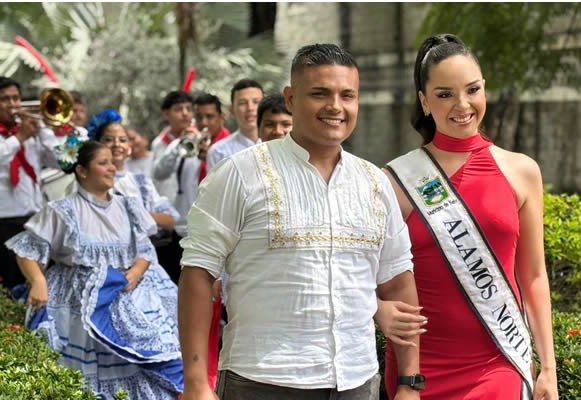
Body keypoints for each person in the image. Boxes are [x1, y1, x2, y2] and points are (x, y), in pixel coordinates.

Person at [178, 43, 421, 400]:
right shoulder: (240, 174)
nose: (335, 106)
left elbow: (398, 282)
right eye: (320, 93)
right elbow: (198, 273)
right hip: (261, 382)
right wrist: (196, 382)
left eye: (347, 95)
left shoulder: (374, 183)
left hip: (357, 381)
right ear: (291, 99)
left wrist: (409, 383)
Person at [383, 33, 558, 400]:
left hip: (499, 362)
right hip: (420, 370)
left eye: (472, 90)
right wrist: (378, 310)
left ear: (484, 89)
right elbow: (371, 276)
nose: (462, 105)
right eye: (445, 94)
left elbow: (533, 276)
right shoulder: (396, 179)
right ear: (424, 101)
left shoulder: (521, 171)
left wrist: (549, 369)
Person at [5, 140, 183, 399]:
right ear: (82, 170)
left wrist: (134, 273)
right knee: (81, 376)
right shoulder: (62, 210)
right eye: (102, 163)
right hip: (76, 301)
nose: (111, 168)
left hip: (125, 294)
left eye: (111, 162)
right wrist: (38, 281)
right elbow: (26, 250)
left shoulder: (129, 206)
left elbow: (144, 251)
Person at [0, 76, 58, 289]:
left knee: (36, 288)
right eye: (5, 99)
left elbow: (60, 162)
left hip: (34, 222)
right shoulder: (13, 135)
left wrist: (44, 129)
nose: (13, 104)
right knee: (7, 288)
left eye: (16, 98)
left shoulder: (32, 132)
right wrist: (19, 138)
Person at [86, 108, 178, 235]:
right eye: (109, 139)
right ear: (98, 145)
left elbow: (170, 221)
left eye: (123, 140)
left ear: (128, 147)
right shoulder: (89, 183)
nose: (117, 144)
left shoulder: (141, 182)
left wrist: (140, 214)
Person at [205, 79, 263, 171]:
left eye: (256, 102)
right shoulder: (218, 152)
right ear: (231, 109)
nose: (250, 108)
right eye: (242, 103)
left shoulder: (275, 144)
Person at [151, 90, 195, 204]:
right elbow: (159, 175)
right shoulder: (159, 143)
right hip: (167, 206)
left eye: (189, 109)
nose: (185, 113)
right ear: (166, 114)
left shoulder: (199, 138)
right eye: (178, 109)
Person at [193, 93, 231, 182]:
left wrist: (212, 157)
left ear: (221, 117)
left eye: (209, 117)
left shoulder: (229, 146)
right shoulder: (192, 136)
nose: (203, 123)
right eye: (199, 117)